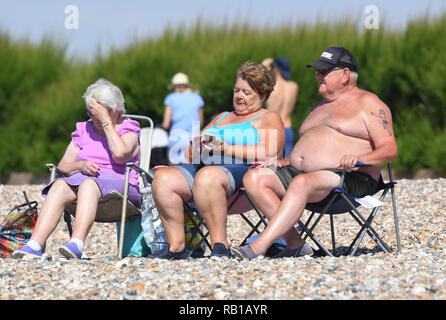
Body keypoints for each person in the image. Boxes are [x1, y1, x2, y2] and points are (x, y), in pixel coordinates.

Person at [232, 46, 398, 260]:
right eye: (318, 71)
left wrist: (360, 159)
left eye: (325, 72)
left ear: (345, 74)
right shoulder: (318, 106)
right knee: (255, 178)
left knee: (301, 183)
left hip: (351, 177)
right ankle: (295, 243)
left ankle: (259, 246)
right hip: (304, 176)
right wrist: (285, 160)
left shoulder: (368, 103)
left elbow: (389, 148)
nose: (318, 76)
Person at [150, 61, 285, 259]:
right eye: (237, 90)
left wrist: (227, 148)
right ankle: (176, 246)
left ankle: (220, 245)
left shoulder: (268, 117)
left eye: (246, 93)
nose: (239, 96)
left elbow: (271, 153)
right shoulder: (222, 116)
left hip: (242, 170)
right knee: (162, 178)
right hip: (203, 165)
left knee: (208, 176)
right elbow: (189, 155)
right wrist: (196, 147)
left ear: (262, 95)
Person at [13, 78, 141, 260]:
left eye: (100, 112)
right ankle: (35, 244)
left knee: (89, 184)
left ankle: (77, 244)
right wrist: (80, 165)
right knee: (59, 185)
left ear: (115, 110)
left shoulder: (129, 128)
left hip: (123, 187)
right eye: (91, 112)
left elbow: (120, 154)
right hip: (86, 183)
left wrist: (106, 123)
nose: (93, 117)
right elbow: (64, 165)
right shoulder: (84, 129)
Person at [162, 72, 205, 165]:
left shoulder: (170, 98)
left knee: (173, 171)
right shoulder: (197, 98)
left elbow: (166, 124)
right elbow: (200, 122)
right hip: (194, 138)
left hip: (176, 136)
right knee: (192, 172)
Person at [262, 57, 298, 158]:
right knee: (287, 166)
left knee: (270, 166)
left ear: (276, 69)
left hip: (273, 128)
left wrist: (265, 67)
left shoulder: (272, 87)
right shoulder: (294, 86)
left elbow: (258, 79)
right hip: (288, 128)